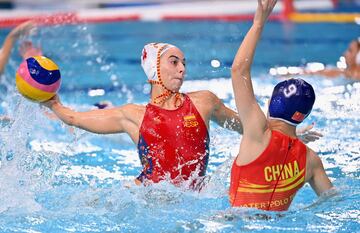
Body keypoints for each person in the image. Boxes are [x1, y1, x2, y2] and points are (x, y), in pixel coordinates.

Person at [41, 33, 321, 190]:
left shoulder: (204, 102)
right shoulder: (132, 115)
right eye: (174, 62)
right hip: (147, 195)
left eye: (184, 63)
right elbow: (75, 118)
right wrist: (52, 102)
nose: (182, 68)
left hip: (193, 197)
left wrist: (289, 132)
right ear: (154, 70)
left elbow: (246, 126)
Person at [229, 0, 333, 211]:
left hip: (234, 222)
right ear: (302, 116)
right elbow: (333, 199)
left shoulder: (258, 133)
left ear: (269, 104)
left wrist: (259, 22)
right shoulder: (311, 160)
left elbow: (239, 70)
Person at [271, 39, 360, 80]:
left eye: (350, 51)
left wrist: (289, 74)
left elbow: (315, 73)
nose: (345, 54)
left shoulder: (343, 74)